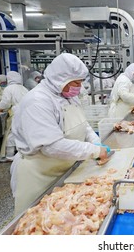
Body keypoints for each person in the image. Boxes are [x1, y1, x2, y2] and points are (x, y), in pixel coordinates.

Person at [10, 53, 111, 216]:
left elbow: (83, 126)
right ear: (60, 79)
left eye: (80, 82)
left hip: (64, 167)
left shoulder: (69, 96)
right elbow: (51, 146)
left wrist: (96, 142)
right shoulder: (37, 101)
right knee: (38, 223)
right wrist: (93, 151)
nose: (78, 87)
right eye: (75, 83)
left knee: (65, 219)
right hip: (40, 174)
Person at [0, 71, 29, 162]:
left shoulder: (9, 89)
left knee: (11, 134)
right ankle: (24, 152)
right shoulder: (24, 88)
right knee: (23, 133)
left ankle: (9, 155)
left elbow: (5, 103)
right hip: (27, 114)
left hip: (15, 114)